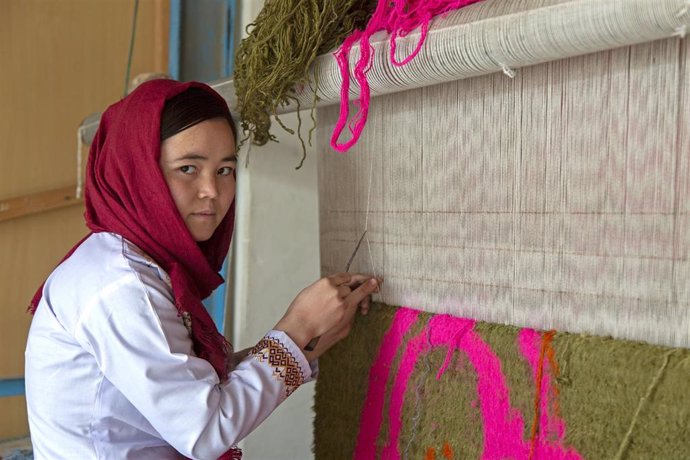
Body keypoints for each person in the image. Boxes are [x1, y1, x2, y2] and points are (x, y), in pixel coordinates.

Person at [24, 79, 381, 459]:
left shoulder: (130, 263)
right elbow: (204, 431)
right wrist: (297, 328)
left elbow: (187, 385)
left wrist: (304, 346)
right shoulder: (122, 287)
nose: (211, 189)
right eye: (188, 168)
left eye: (225, 170)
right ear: (139, 174)